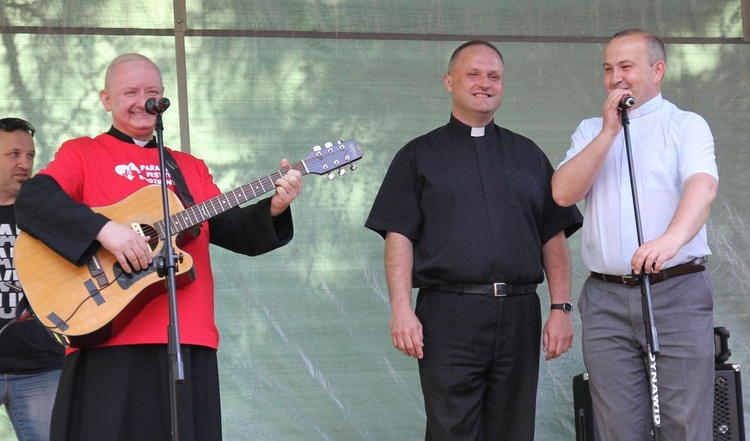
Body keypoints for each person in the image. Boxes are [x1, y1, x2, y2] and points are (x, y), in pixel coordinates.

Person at [14, 54, 303, 441]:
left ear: (163, 99)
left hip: (187, 335)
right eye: (130, 92)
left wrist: (275, 207)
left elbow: (230, 229)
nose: (142, 100)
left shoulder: (188, 167)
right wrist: (105, 230)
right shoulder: (83, 152)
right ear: (106, 99)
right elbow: (35, 200)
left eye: (152, 92)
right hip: (107, 332)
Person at [365, 40, 583, 440]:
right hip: (448, 314)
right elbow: (398, 236)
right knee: (451, 429)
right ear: (450, 82)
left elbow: (553, 237)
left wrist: (561, 308)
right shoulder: (418, 156)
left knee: (514, 429)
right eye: (473, 74)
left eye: (494, 76)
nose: (485, 83)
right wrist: (401, 309)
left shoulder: (529, 155)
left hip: (520, 313)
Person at [552, 29, 718, 440]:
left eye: (626, 67)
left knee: (683, 422)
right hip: (605, 296)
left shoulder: (685, 125)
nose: (615, 78)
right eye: (608, 69)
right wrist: (609, 131)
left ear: (657, 70)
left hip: (675, 288)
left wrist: (670, 240)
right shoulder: (591, 129)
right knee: (617, 426)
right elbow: (562, 192)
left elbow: (703, 187)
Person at [0, 117, 64, 441]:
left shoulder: (49, 211)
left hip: (40, 365)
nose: (24, 163)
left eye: (30, 156)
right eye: (14, 154)